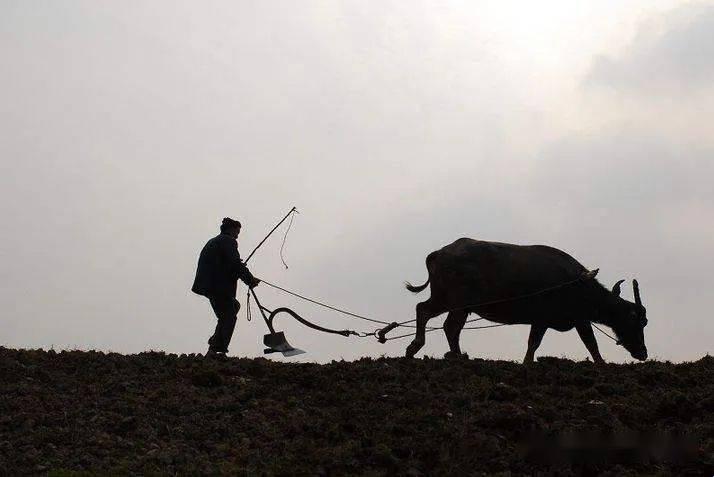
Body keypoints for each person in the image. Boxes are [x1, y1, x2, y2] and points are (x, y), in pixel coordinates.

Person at [192, 217, 260, 357]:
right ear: (231, 230)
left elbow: (228, 264)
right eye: (237, 232)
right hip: (217, 286)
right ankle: (217, 349)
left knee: (232, 309)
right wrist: (250, 280)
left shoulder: (216, 241)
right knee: (229, 314)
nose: (237, 235)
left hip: (210, 285)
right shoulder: (228, 241)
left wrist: (239, 270)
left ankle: (215, 346)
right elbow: (235, 265)